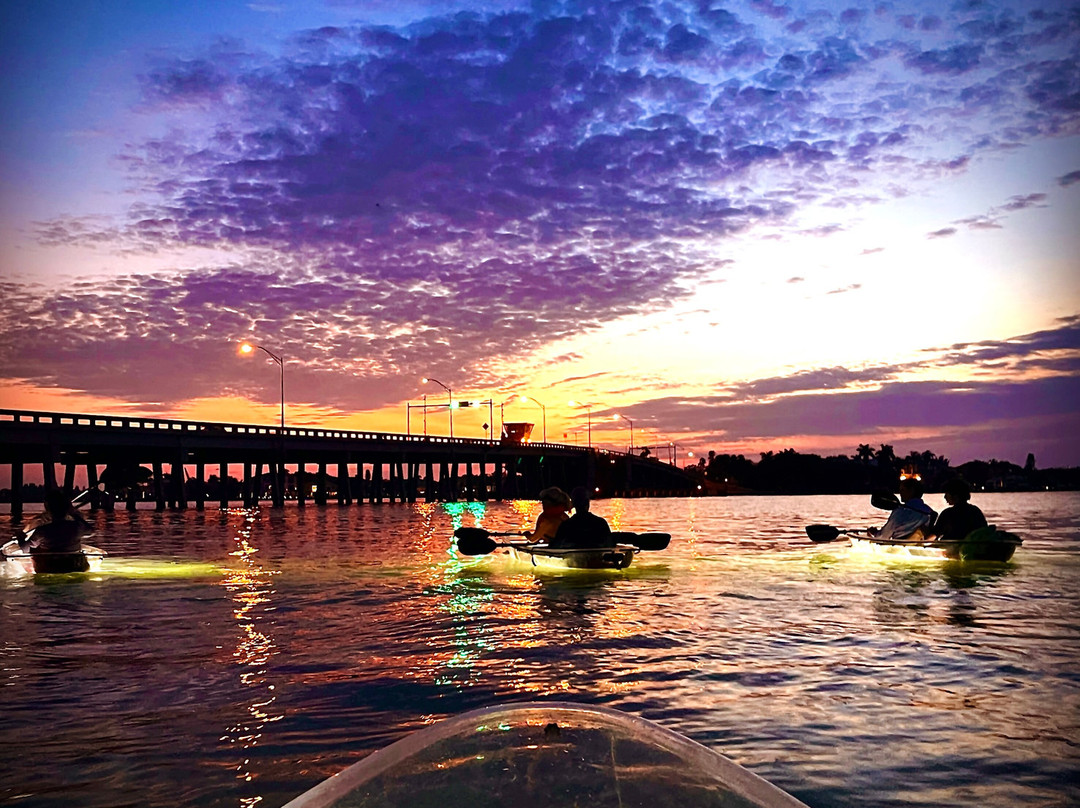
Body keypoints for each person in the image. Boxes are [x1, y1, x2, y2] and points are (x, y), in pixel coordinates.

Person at [21, 490, 91, 555]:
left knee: (35, 548)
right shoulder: (77, 527)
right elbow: (90, 531)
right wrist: (74, 514)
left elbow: (25, 549)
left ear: (48, 510)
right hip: (76, 565)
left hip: (48, 566)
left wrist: (20, 538)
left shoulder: (42, 530)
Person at [867, 478, 936, 542]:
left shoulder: (901, 511)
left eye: (902, 490)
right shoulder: (931, 512)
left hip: (901, 546)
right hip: (919, 543)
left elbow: (883, 536)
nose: (900, 493)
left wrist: (874, 533)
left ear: (911, 491)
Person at [550, 486, 614, 549]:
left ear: (573, 504)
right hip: (597, 558)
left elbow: (555, 547)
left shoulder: (566, 525)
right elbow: (610, 544)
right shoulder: (601, 523)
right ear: (588, 503)